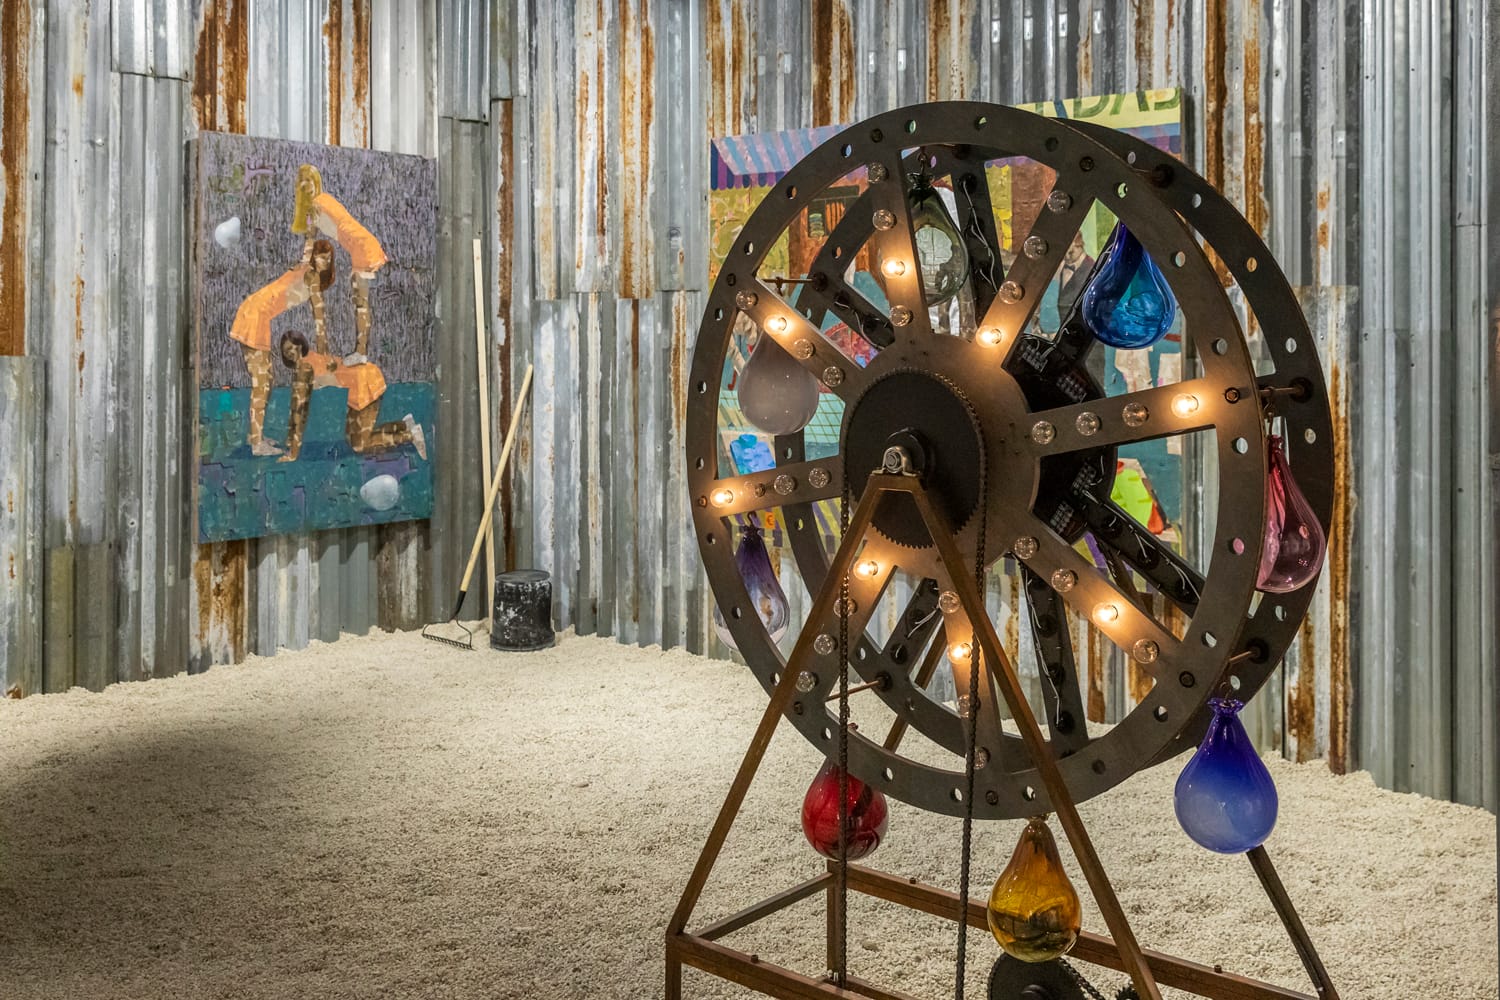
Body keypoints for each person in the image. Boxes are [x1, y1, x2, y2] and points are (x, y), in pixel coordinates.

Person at [229, 239, 335, 455]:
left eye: (328, 258)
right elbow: (319, 320)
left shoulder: (304, 265)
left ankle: (255, 435)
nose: (324, 262)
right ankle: (257, 444)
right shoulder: (311, 276)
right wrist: (324, 355)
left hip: (254, 313)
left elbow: (310, 234)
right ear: (313, 258)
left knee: (267, 380)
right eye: (321, 257)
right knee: (262, 383)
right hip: (255, 316)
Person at [276, 330, 426, 463]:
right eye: (286, 351)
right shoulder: (305, 363)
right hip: (359, 384)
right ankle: (404, 424)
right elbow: (297, 408)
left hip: (365, 382)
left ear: (300, 345)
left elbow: (299, 411)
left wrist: (293, 453)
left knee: (360, 445)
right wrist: (290, 439)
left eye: (292, 347)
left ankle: (410, 436)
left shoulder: (304, 368)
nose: (290, 352)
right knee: (352, 439)